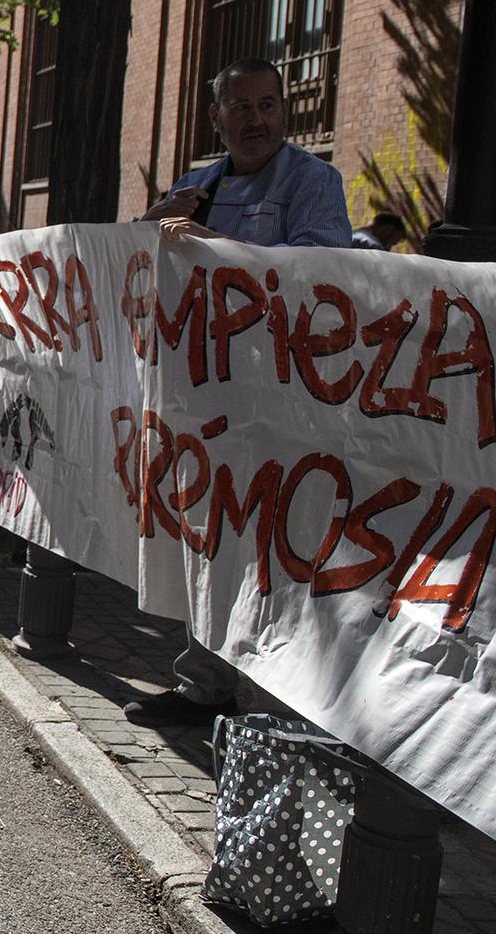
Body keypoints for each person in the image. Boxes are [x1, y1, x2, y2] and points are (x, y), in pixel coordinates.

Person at [124, 57, 352, 728]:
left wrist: (211, 244)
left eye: (268, 105)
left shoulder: (316, 182)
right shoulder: (196, 186)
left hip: (279, 406)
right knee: (207, 538)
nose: (256, 120)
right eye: (241, 107)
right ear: (215, 115)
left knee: (264, 546)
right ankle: (204, 684)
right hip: (201, 401)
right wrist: (148, 221)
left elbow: (319, 276)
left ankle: (261, 703)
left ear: (285, 110)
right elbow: (135, 269)